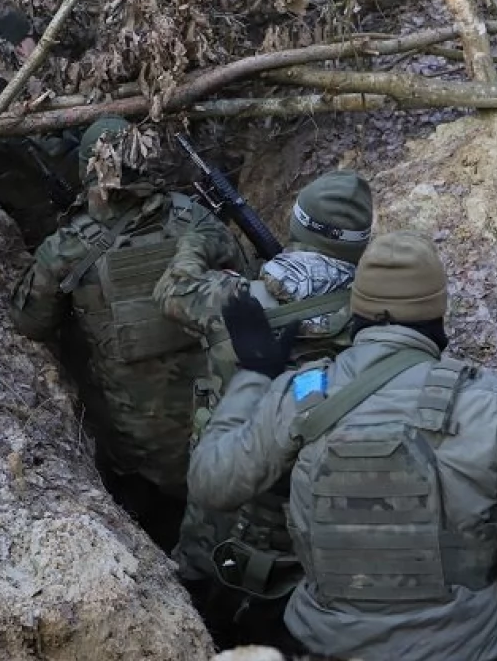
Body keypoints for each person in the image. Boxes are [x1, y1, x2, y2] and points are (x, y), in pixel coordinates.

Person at [190, 230, 497, 660]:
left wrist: (254, 374)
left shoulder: (303, 391)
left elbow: (211, 482)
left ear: (356, 309)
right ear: (437, 312)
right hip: (470, 648)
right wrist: (470, 575)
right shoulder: (489, 402)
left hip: (325, 644)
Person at [153, 170, 375, 648]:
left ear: (296, 224)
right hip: (307, 516)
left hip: (220, 495)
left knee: (193, 604)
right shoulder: (375, 322)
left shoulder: (234, 299)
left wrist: (200, 240)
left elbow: (172, 290)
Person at [8, 116, 246, 551]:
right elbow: (243, 281)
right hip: (219, 418)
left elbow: (31, 323)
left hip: (135, 445)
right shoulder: (195, 219)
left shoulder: (68, 247)